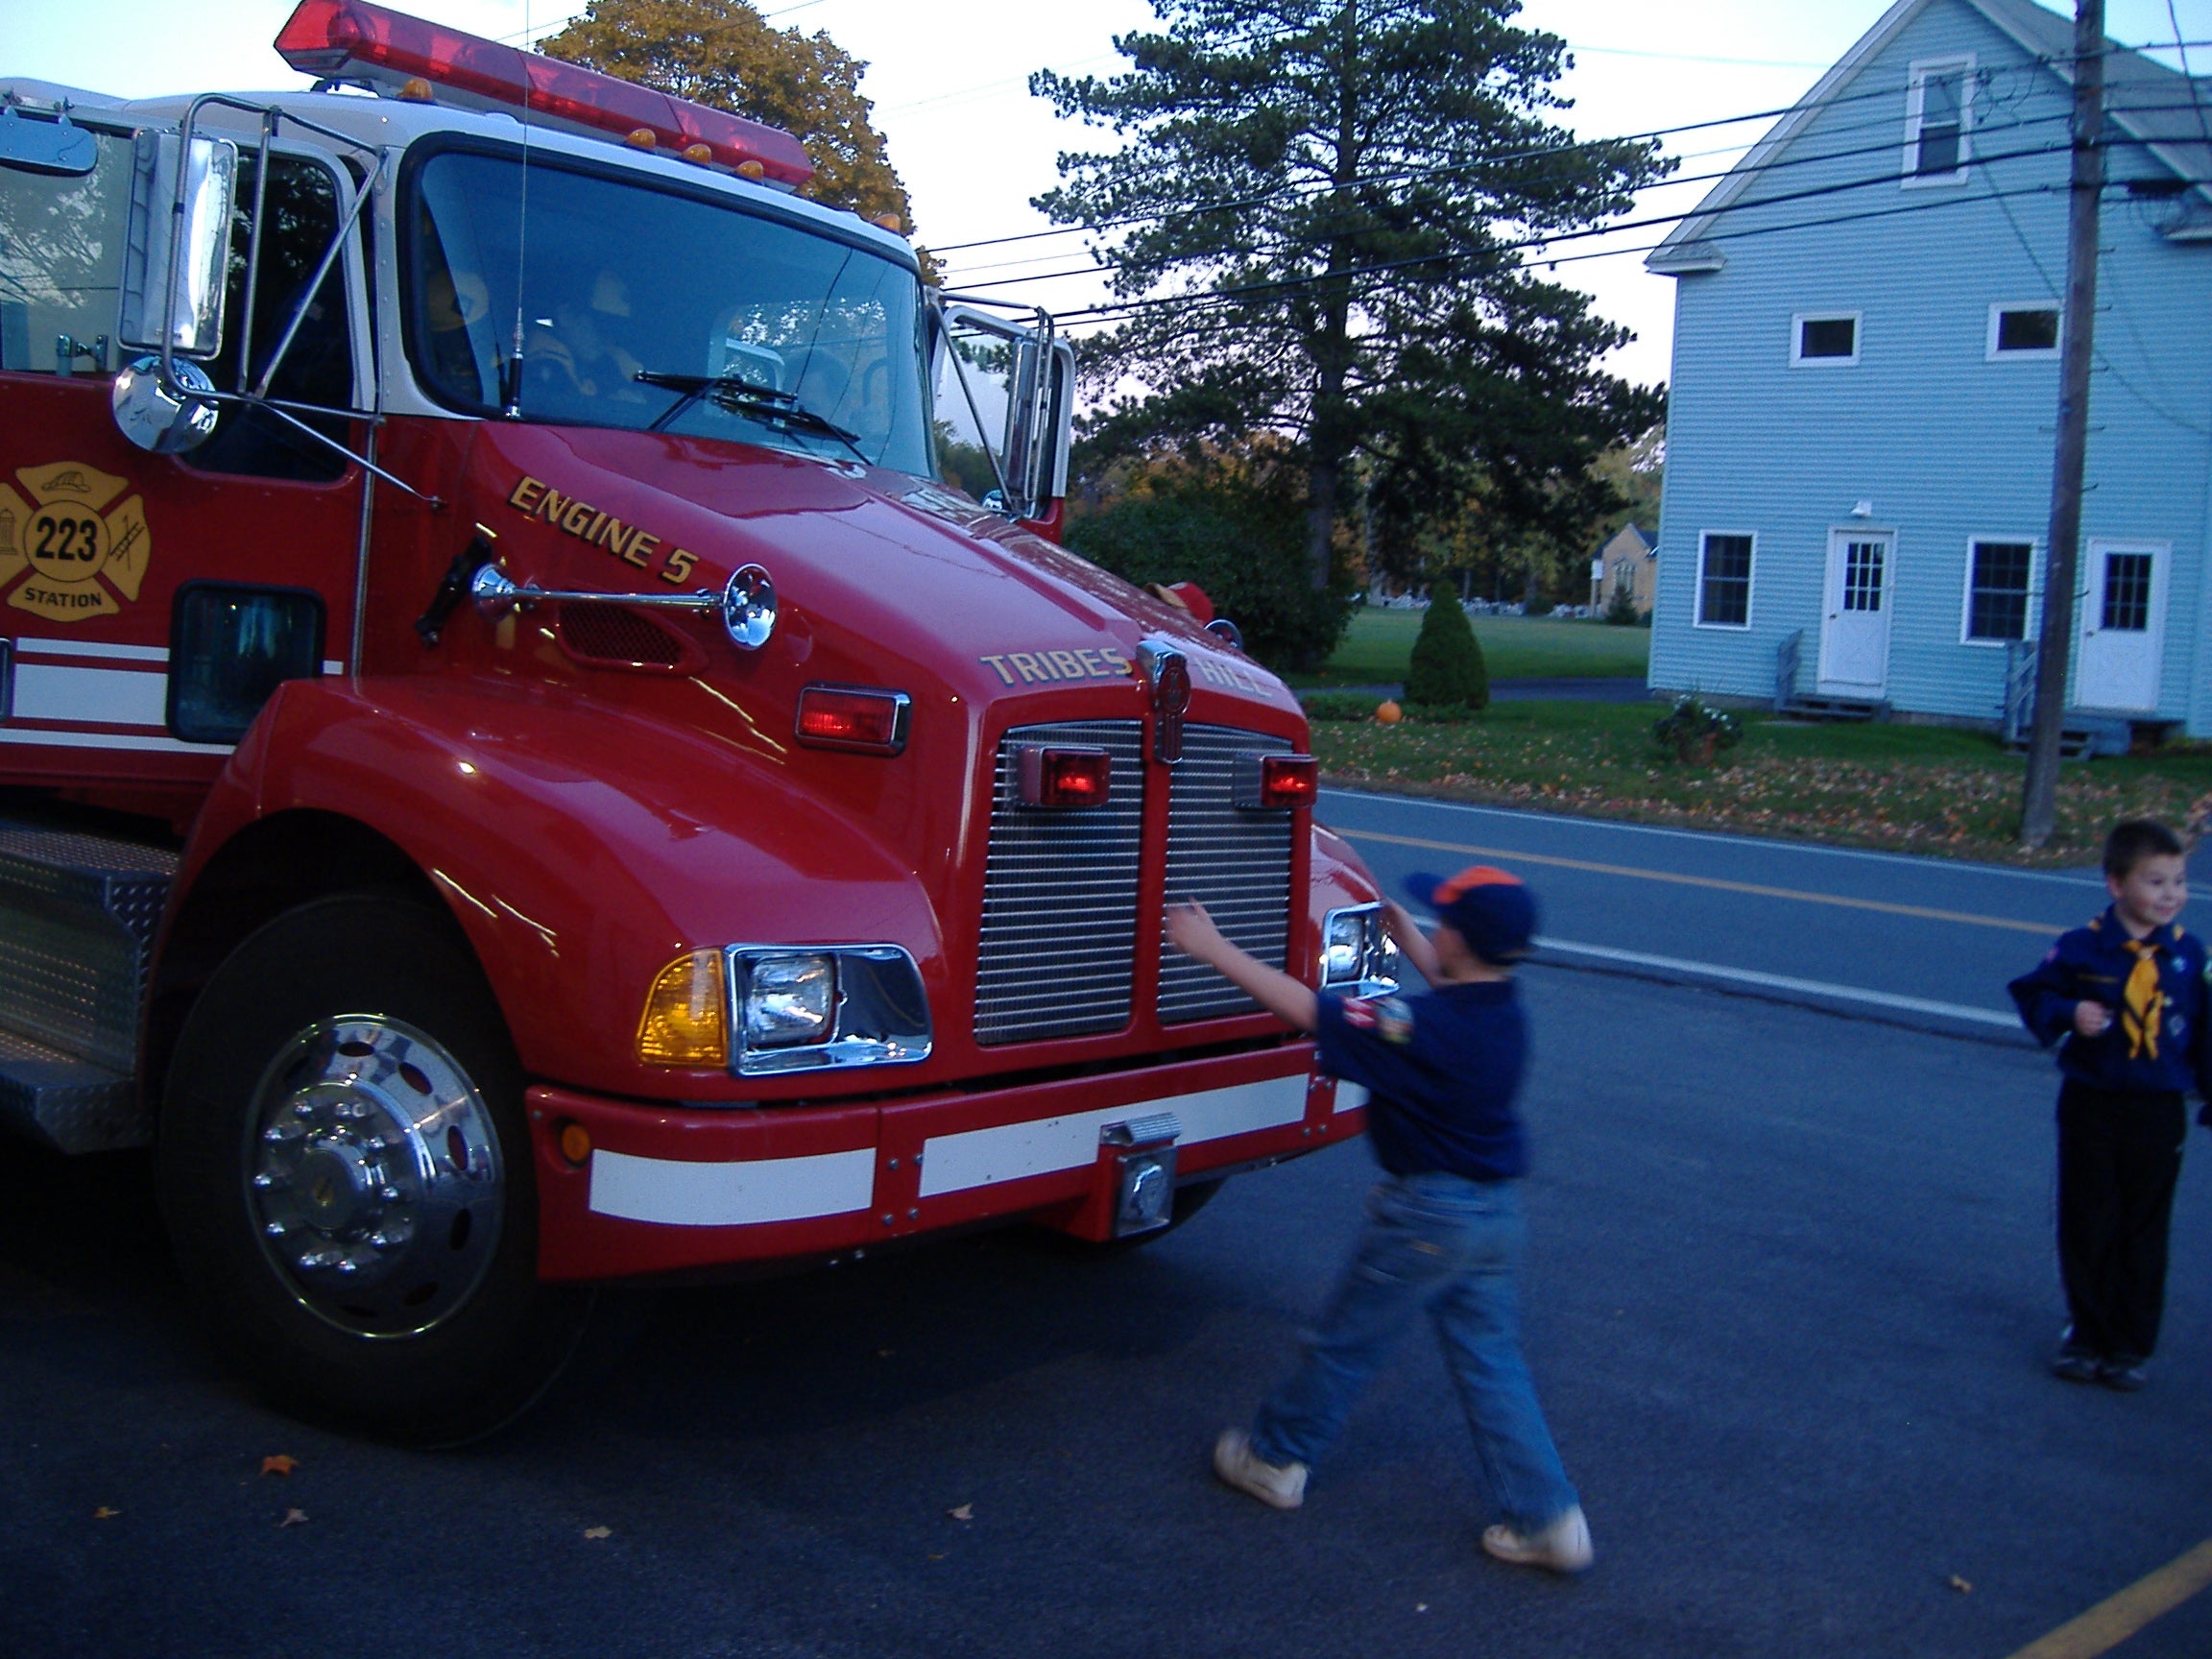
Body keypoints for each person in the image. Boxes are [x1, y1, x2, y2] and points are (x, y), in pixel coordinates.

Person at [1164, 866, 1591, 1575]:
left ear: (1463, 936)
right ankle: (1548, 1515)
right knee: (1492, 1365)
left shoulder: (1415, 1027)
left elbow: (1314, 1013)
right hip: (1492, 1216)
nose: (1436, 928)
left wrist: (1215, 949)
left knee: (1343, 1345)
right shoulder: (1503, 1011)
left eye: (1443, 921)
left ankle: (1274, 1458)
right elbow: (1453, 997)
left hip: (1427, 1218)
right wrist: (1410, 937)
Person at [2008, 819, 2212, 1391]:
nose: (2171, 894)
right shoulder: (2082, 947)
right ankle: (2087, 1333)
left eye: (2178, 881)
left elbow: (2208, 1031)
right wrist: (2069, 1015)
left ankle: (2129, 1343)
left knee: (2144, 1227)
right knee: (2088, 1219)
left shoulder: (2190, 956)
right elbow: (2032, 992)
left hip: (2157, 1109)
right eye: (2155, 881)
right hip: (2092, 1102)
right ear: (2116, 884)